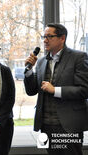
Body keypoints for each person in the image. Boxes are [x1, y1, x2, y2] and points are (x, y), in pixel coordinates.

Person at [24, 23, 88, 155]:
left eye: (49, 36)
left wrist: (55, 90)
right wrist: (29, 70)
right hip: (46, 126)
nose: (45, 40)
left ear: (62, 38)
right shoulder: (41, 62)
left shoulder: (78, 57)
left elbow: (84, 90)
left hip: (68, 125)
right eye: (44, 36)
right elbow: (32, 91)